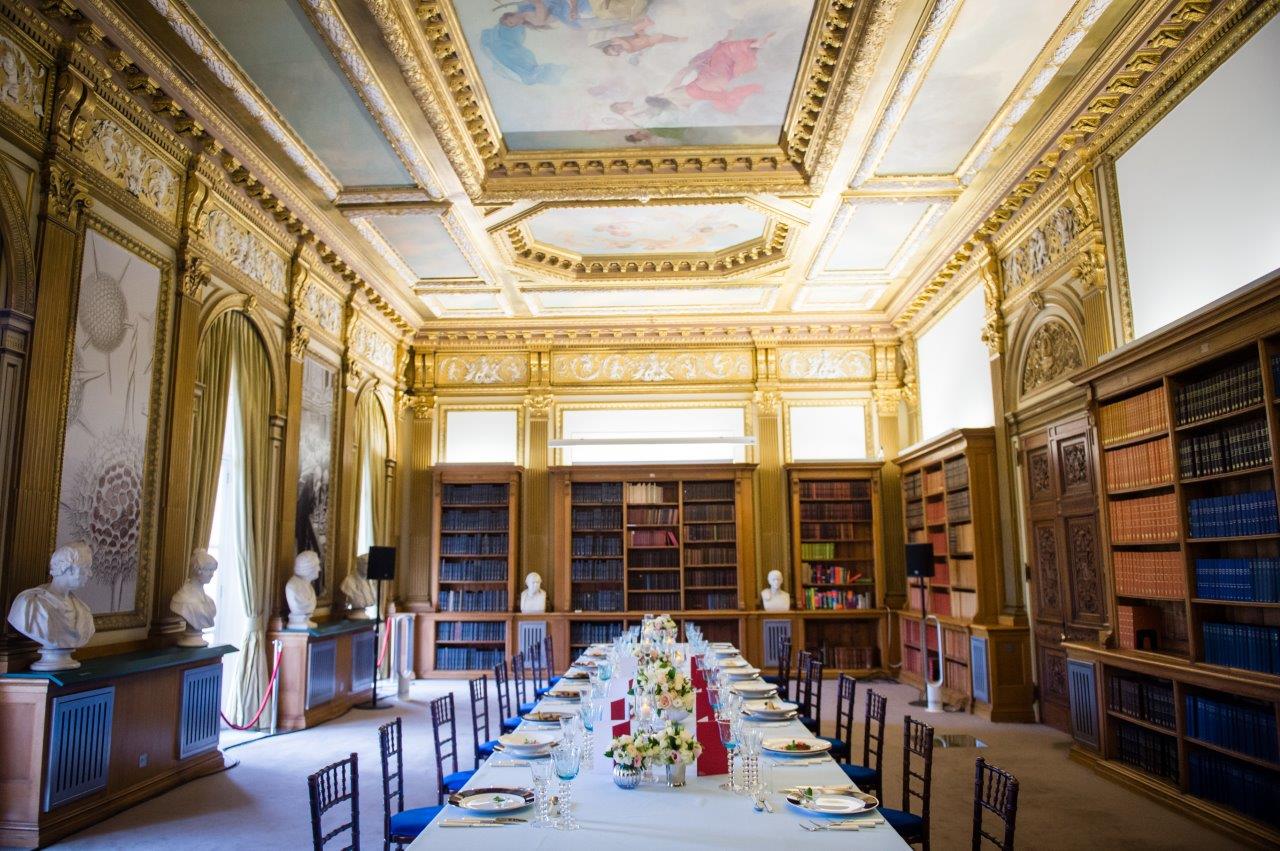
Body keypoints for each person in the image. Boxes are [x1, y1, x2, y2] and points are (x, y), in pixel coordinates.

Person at [7, 542, 96, 670]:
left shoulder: (84, 611)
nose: (89, 574)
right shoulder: (29, 604)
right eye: (86, 568)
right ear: (68, 568)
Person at [660, 32, 774, 114]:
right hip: (701, 85)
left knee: (729, 67)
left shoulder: (681, 107)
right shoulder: (667, 92)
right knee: (721, 52)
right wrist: (694, 65)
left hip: (717, 92)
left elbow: (696, 108)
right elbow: (681, 74)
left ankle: (754, 49)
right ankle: (753, 45)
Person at [171, 548, 217, 647]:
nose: (212, 574)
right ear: (198, 570)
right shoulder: (182, 599)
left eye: (213, 570)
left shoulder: (209, 602)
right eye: (209, 570)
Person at [593, 16, 684, 59]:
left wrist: (615, 40)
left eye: (613, 48)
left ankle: (649, 23)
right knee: (659, 37)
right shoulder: (628, 50)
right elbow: (626, 44)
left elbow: (618, 37)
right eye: (617, 52)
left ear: (612, 45)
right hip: (648, 41)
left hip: (640, 36)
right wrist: (618, 41)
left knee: (635, 28)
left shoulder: (617, 41)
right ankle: (677, 39)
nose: (617, 49)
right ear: (619, 54)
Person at [286, 550, 321, 629]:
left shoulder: (310, 587)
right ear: (308, 567)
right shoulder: (292, 587)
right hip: (297, 624)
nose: (319, 569)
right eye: (317, 565)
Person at [341, 552, 377, 619]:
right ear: (359, 565)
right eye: (366, 564)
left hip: (365, 617)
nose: (369, 567)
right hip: (355, 617)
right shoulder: (348, 581)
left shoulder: (371, 581)